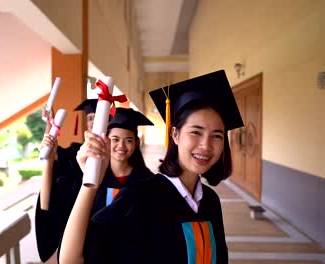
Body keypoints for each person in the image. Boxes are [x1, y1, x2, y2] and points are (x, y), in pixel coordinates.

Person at [59, 70, 244, 264]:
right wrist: (90, 183)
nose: (206, 145)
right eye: (196, 132)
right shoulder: (140, 197)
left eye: (217, 135)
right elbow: (71, 260)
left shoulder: (211, 201)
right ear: (175, 135)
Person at [36, 105, 154, 262]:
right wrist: (48, 157)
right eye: (115, 139)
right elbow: (52, 206)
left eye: (128, 140)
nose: (121, 146)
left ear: (137, 143)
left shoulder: (147, 182)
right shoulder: (89, 178)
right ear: (106, 141)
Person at [35, 98, 97, 262]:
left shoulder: (117, 157)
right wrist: (50, 125)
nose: (94, 122)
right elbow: (51, 154)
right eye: (90, 118)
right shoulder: (74, 153)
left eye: (99, 117)